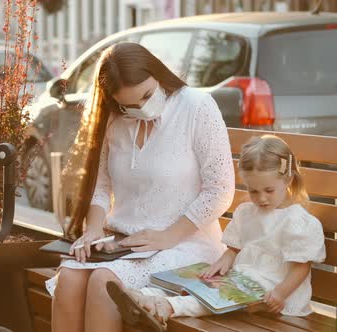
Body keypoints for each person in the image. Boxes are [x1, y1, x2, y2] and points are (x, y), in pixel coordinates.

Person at [48, 42, 235, 332]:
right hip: (124, 244)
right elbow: (101, 184)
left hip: (187, 244)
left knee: (105, 282)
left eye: (147, 96)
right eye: (130, 105)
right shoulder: (114, 119)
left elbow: (220, 189)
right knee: (69, 280)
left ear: (158, 74)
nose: (143, 109)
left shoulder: (197, 106)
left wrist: (167, 237)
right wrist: (93, 230)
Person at [106, 135, 326, 332]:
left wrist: (280, 293)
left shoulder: (298, 222)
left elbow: (300, 268)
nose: (261, 198)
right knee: (206, 283)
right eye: (253, 191)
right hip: (245, 280)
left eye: (269, 190)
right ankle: (145, 296)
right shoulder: (247, 212)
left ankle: (167, 307)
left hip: (276, 294)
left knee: (218, 294)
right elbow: (234, 248)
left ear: (288, 180)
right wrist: (224, 259)